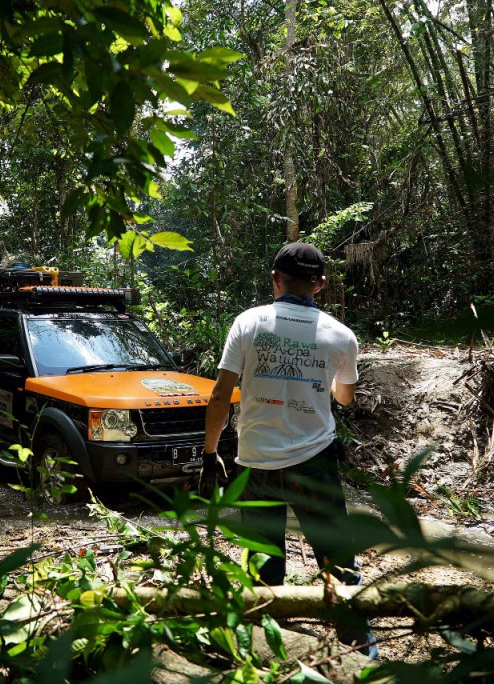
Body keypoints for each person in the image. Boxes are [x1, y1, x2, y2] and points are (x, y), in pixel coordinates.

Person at [200, 242, 378, 659]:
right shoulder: (340, 335)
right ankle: (361, 654)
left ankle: (263, 650)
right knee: (337, 559)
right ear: (320, 285)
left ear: (274, 280)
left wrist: (210, 453)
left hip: (256, 460)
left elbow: (220, 396)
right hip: (314, 462)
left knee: (263, 565)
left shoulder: (249, 322)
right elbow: (346, 398)